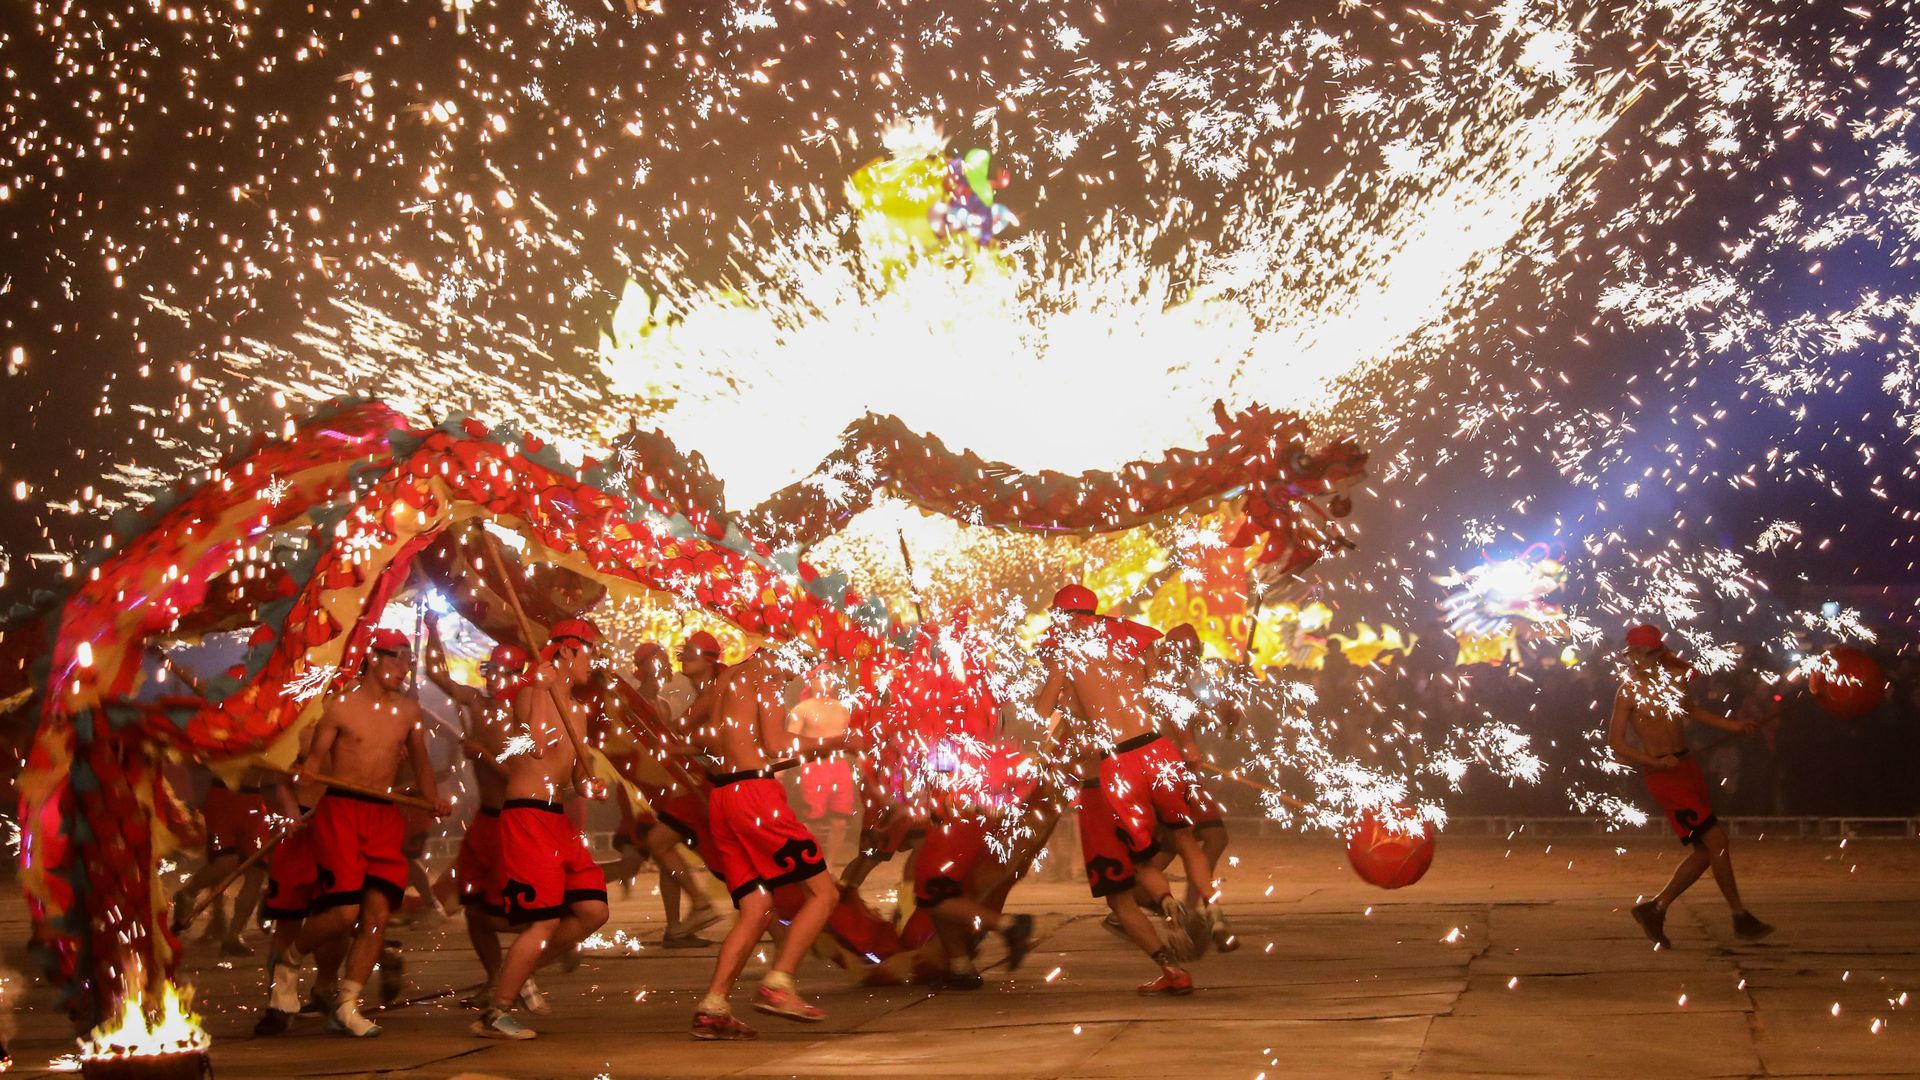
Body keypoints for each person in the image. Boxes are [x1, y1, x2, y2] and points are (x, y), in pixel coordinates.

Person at [275, 627, 451, 1038]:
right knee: (344, 912)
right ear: (374, 657)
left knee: (378, 914)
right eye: (397, 659)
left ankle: (348, 1003)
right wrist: (306, 784)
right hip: (341, 812)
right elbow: (315, 760)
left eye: (409, 661)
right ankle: (290, 958)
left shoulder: (408, 712)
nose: (404, 668)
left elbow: (422, 763)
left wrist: (432, 798)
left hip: (383, 815)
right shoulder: (340, 707)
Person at [1033, 585, 1213, 965]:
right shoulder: (1136, 637)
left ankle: (1165, 905)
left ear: (1063, 615)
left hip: (1114, 766)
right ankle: (1213, 910)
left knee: (1140, 865)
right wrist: (1187, 744)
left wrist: (1059, 683)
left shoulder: (1066, 654)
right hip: (1157, 748)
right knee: (1187, 840)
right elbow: (1165, 696)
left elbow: (1042, 710)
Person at [688, 648, 850, 1041]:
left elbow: (701, 734)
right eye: (800, 660)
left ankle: (713, 1006)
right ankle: (779, 984)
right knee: (823, 893)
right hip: (755, 799)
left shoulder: (725, 679)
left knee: (757, 908)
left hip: (723, 798)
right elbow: (778, 744)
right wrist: (832, 740)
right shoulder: (765, 677)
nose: (798, 673)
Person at [473, 618, 611, 1040]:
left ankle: (514, 975)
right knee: (543, 920)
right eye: (590, 651)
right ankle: (498, 1009)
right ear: (568, 650)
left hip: (556, 818)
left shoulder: (579, 712)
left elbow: (570, 778)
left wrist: (590, 786)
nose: (595, 662)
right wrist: (541, 686)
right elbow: (533, 744)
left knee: (594, 910)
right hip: (526, 816)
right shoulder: (530, 693)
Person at [1608, 623, 1773, 947]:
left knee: (1706, 850)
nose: (1643, 659)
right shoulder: (1627, 690)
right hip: (1663, 775)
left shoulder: (1672, 682)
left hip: (1686, 768)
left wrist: (1736, 726)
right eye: (1639, 653)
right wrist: (1654, 761)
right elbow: (1616, 743)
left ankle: (1655, 908)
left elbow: (1693, 711)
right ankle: (1739, 916)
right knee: (1718, 841)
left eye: (1650, 653)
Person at [422, 630, 557, 1017]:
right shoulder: (476, 702)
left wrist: (481, 755)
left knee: (515, 911)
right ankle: (496, 977)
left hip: (511, 822)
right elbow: (437, 675)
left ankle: (521, 969)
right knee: (474, 909)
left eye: (500, 671)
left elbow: (519, 775)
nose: (491, 678)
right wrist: (432, 630)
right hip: (484, 821)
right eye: (489, 669)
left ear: (517, 675)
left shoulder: (523, 715)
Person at [609, 644, 725, 946]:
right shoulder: (631, 703)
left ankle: (677, 927)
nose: (667, 666)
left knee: (665, 854)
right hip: (646, 795)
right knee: (642, 857)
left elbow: (673, 748)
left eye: (665, 661)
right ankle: (568, 898)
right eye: (656, 661)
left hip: (672, 791)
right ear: (642, 668)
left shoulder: (665, 704)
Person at [1146, 623, 1239, 952]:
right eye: (1185, 655)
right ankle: (1181, 909)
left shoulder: (1180, 680)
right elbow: (1172, 716)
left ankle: (1183, 907)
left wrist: (1222, 714)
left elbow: (1192, 713)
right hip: (1165, 775)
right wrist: (1188, 740)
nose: (1190, 662)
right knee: (1194, 841)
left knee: (1183, 845)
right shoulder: (1154, 679)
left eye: (1193, 655)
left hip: (1182, 775)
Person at [170, 766, 273, 956]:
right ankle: (188, 893)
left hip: (253, 801)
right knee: (226, 862)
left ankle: (234, 935)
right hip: (223, 797)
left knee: (256, 871)